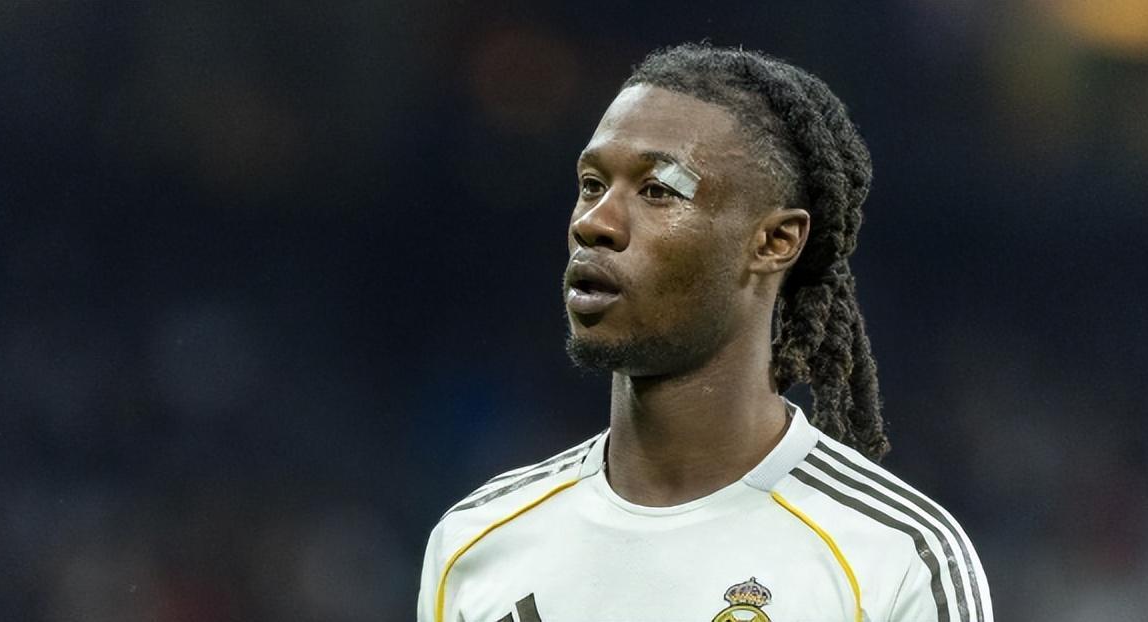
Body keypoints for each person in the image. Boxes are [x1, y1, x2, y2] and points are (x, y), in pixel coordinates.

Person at [417, 43, 992, 622]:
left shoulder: (894, 560)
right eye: (592, 184)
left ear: (775, 241)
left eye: (657, 190)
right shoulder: (476, 545)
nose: (595, 223)